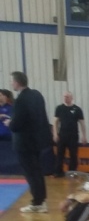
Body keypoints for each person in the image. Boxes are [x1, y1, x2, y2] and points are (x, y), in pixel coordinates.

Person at [8, 71, 51, 213]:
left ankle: (37, 202)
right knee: (37, 172)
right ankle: (41, 200)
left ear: (17, 82)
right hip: (37, 141)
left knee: (31, 173)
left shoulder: (20, 100)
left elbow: (16, 125)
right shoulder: (37, 95)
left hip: (24, 143)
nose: (11, 83)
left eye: (12, 81)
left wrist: (9, 123)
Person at [53, 91, 86, 177]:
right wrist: (55, 134)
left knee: (73, 155)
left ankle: (72, 172)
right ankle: (58, 172)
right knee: (60, 154)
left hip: (73, 135)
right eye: (64, 97)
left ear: (71, 98)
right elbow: (55, 122)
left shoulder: (77, 109)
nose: (65, 98)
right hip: (62, 135)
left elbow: (82, 123)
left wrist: (84, 135)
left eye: (67, 97)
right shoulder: (59, 108)